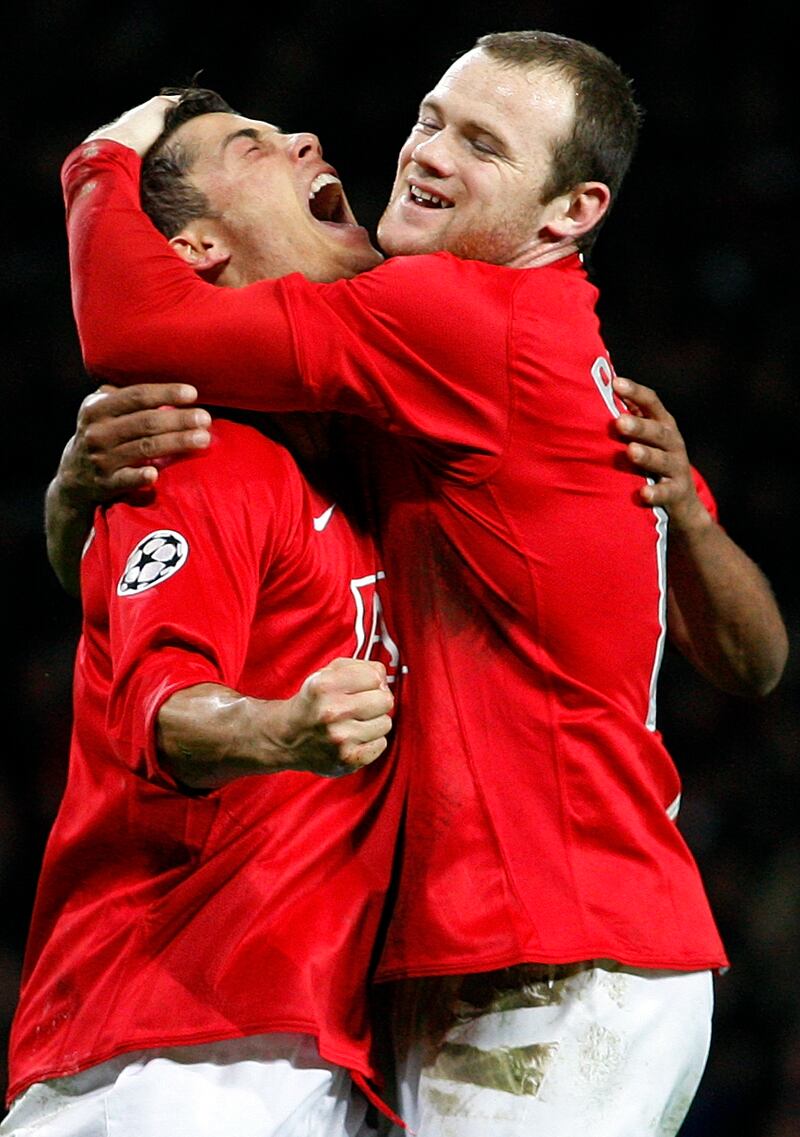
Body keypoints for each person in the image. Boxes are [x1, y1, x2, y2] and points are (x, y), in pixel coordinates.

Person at [55, 31, 788, 1136]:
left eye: (481, 145)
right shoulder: (424, 398)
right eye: (432, 116)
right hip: (466, 956)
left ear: (568, 212)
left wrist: (94, 166)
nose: (426, 152)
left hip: (547, 946)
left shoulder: (457, 322)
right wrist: (76, 512)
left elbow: (132, 324)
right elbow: (757, 662)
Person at [1, 98, 407, 1137]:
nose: (309, 141)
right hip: (167, 1056)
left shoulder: (373, 468)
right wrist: (287, 730)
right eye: (252, 147)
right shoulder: (196, 451)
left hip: (311, 1051)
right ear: (195, 248)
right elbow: (157, 711)